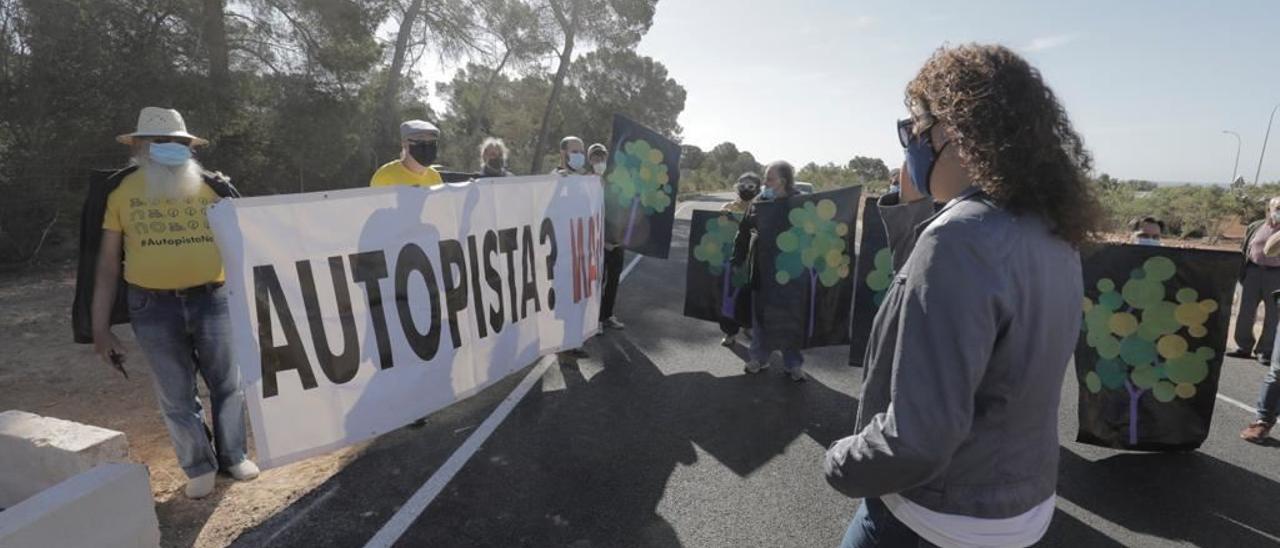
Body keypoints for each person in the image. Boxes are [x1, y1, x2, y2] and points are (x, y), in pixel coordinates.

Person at [823, 44, 1104, 547]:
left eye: (915, 128)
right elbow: (948, 306)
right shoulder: (1049, 230)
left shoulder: (959, 237)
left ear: (956, 131)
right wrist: (915, 206)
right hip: (1018, 506)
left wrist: (841, 461)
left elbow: (918, 438)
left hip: (931, 516)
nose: (910, 142)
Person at [90, 107, 259, 499]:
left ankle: (233, 455)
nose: (170, 148)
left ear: (189, 147)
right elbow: (106, 264)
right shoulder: (120, 192)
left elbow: (246, 244)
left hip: (213, 300)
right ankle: (198, 465)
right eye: (160, 142)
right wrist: (100, 328)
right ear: (140, 147)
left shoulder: (214, 188)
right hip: (152, 308)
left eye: (178, 143)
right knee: (176, 393)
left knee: (228, 384)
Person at [733, 160, 807, 382]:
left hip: (790, 274)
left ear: (783, 181)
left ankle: (792, 364)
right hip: (761, 271)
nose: (764, 182)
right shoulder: (759, 201)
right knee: (760, 318)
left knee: (790, 321)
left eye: (769, 178)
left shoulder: (800, 203)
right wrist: (737, 257)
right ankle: (758, 358)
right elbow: (744, 231)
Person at [552, 135, 591, 363]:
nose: (579, 155)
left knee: (580, 298)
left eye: (581, 150)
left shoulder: (585, 179)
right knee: (566, 300)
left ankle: (574, 342)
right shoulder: (555, 178)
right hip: (563, 251)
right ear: (563, 153)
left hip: (582, 249)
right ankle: (564, 346)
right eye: (574, 150)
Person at [1228, 197, 1280, 364]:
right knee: (1244, 311)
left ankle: (1265, 351)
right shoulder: (1256, 226)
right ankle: (1243, 346)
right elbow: (1245, 248)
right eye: (1278, 207)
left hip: (1276, 275)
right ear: (1270, 209)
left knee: (1273, 314)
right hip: (1253, 272)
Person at [719, 172, 760, 346]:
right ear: (737, 187)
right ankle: (730, 332)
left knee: (750, 295)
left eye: (750, 186)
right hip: (730, 259)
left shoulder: (760, 208)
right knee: (729, 295)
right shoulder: (727, 207)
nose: (746, 189)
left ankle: (748, 326)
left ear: (757, 188)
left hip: (752, 260)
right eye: (743, 185)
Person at [588, 142, 626, 330]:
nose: (599, 160)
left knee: (613, 282)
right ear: (590, 160)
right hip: (598, 245)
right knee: (597, 284)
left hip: (618, 243)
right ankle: (594, 321)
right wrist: (602, 241)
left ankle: (607, 316)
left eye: (602, 157)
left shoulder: (615, 182)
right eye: (596, 157)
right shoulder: (585, 183)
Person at [370, 120, 444, 187]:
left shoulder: (434, 177)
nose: (427, 146)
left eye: (432, 142)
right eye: (420, 141)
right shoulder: (385, 177)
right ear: (404, 144)